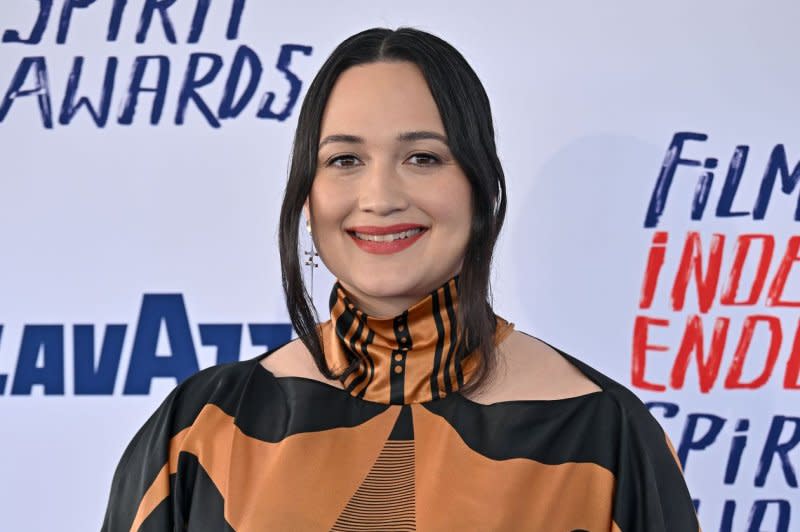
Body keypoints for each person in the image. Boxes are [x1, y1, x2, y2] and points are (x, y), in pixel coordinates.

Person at [102, 27, 699, 531]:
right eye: (344, 160)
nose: (380, 197)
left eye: (423, 158)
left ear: (481, 188)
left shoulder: (605, 437)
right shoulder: (202, 429)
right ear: (307, 198)